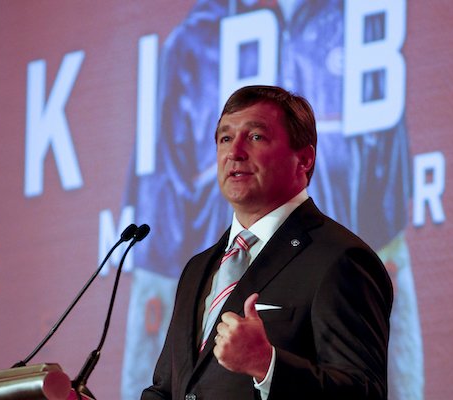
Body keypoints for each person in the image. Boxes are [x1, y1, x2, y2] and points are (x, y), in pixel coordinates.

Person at [141, 85, 393, 399]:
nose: (235, 152)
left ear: (304, 159)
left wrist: (268, 366)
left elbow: (364, 393)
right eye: (225, 138)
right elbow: (169, 391)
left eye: (256, 137)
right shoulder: (198, 269)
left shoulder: (341, 259)